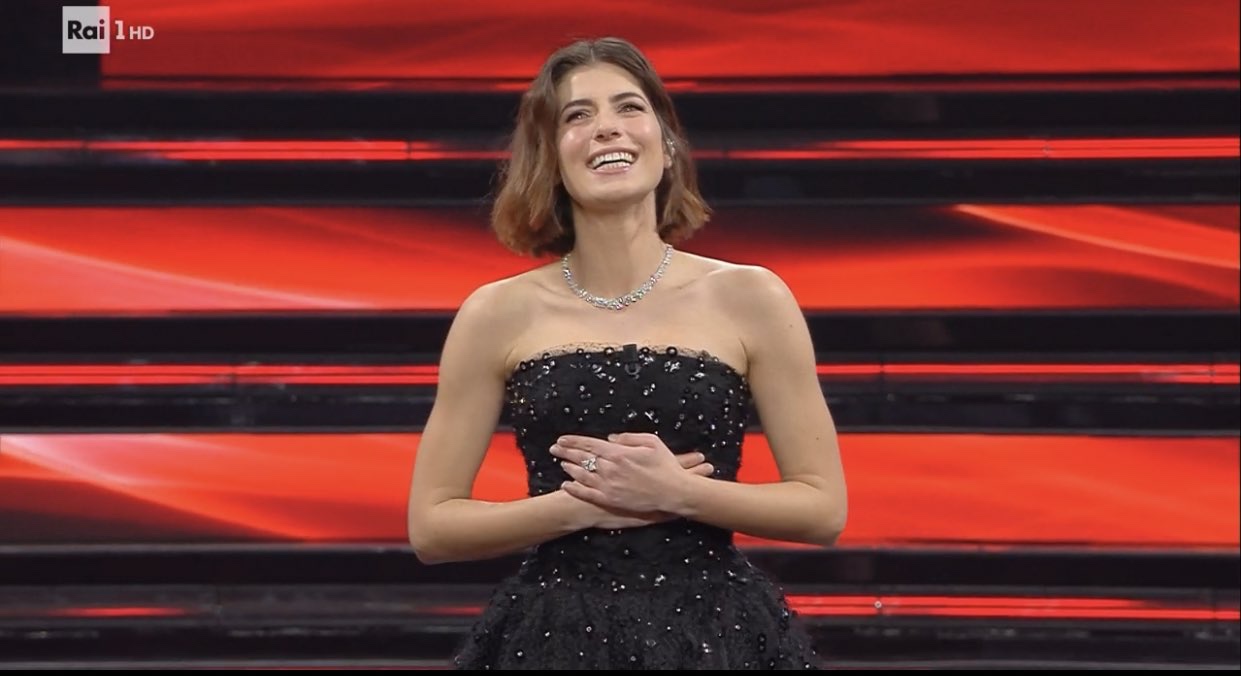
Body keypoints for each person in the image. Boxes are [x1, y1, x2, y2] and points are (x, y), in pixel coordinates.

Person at [406, 36, 847, 670]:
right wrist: (581, 506)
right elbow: (432, 526)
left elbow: (823, 508)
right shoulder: (495, 312)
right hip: (554, 638)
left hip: (717, 636)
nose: (607, 127)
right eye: (577, 115)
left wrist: (679, 493)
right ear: (550, 156)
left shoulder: (751, 296)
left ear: (666, 144)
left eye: (629, 107)